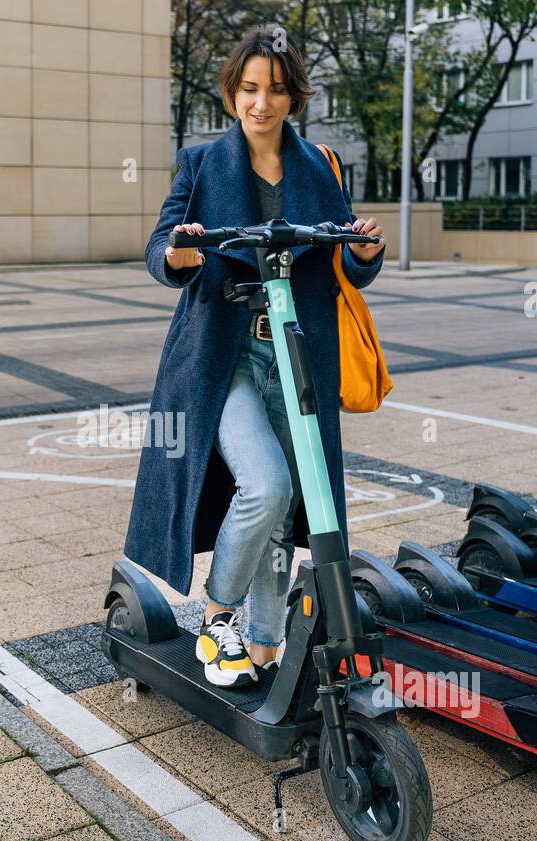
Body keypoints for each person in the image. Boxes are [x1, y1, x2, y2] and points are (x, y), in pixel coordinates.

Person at [123, 25, 386, 688]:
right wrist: (179, 254)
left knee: (288, 502)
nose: (260, 103)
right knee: (265, 484)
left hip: (298, 358)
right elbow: (162, 247)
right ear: (232, 93)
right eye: (248, 89)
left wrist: (365, 252)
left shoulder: (320, 166)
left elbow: (343, 263)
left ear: (292, 97)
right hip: (225, 357)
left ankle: (265, 643)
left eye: (273, 90)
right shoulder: (202, 163)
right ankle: (217, 620)